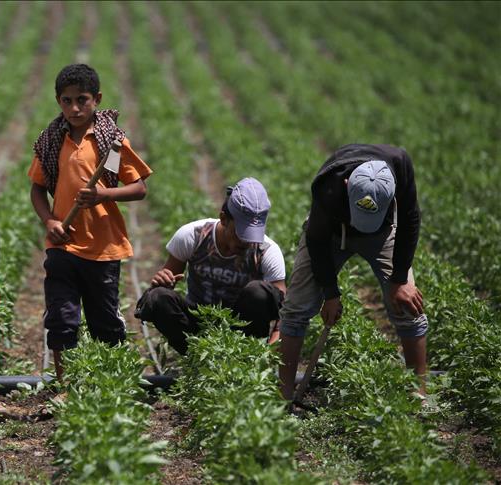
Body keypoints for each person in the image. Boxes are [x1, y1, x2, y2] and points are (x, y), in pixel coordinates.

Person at [29, 64, 152, 380]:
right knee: (61, 318)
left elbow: (139, 188)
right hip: (62, 244)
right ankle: (64, 386)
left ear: (96, 99)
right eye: (66, 100)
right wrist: (49, 221)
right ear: (58, 101)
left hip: (102, 248)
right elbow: (37, 189)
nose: (74, 108)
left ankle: (110, 383)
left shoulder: (109, 142)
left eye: (81, 99)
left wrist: (103, 194)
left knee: (105, 322)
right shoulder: (52, 140)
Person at [278, 144, 428, 400]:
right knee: (296, 307)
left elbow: (410, 220)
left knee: (407, 306)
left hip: (383, 234)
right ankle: (284, 394)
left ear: (391, 196)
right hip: (332, 235)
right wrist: (330, 293)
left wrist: (400, 280)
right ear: (348, 185)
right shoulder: (328, 187)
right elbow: (316, 241)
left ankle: (420, 395)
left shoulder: (400, 167)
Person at [135, 178, 286, 353]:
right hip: (196, 326)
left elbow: (285, 313)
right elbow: (163, 284)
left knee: (259, 292)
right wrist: (162, 283)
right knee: (158, 297)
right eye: (240, 234)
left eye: (252, 235)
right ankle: (195, 357)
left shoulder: (267, 251)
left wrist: (270, 350)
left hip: (242, 330)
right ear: (223, 219)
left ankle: (245, 357)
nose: (246, 241)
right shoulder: (193, 236)